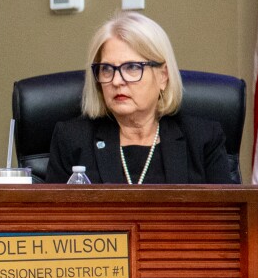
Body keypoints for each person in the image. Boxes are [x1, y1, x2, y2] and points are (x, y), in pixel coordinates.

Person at [45, 11, 233, 184]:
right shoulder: (72, 139)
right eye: (107, 69)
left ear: (163, 76)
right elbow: (53, 218)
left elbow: (226, 218)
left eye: (132, 67)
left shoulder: (203, 139)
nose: (117, 81)